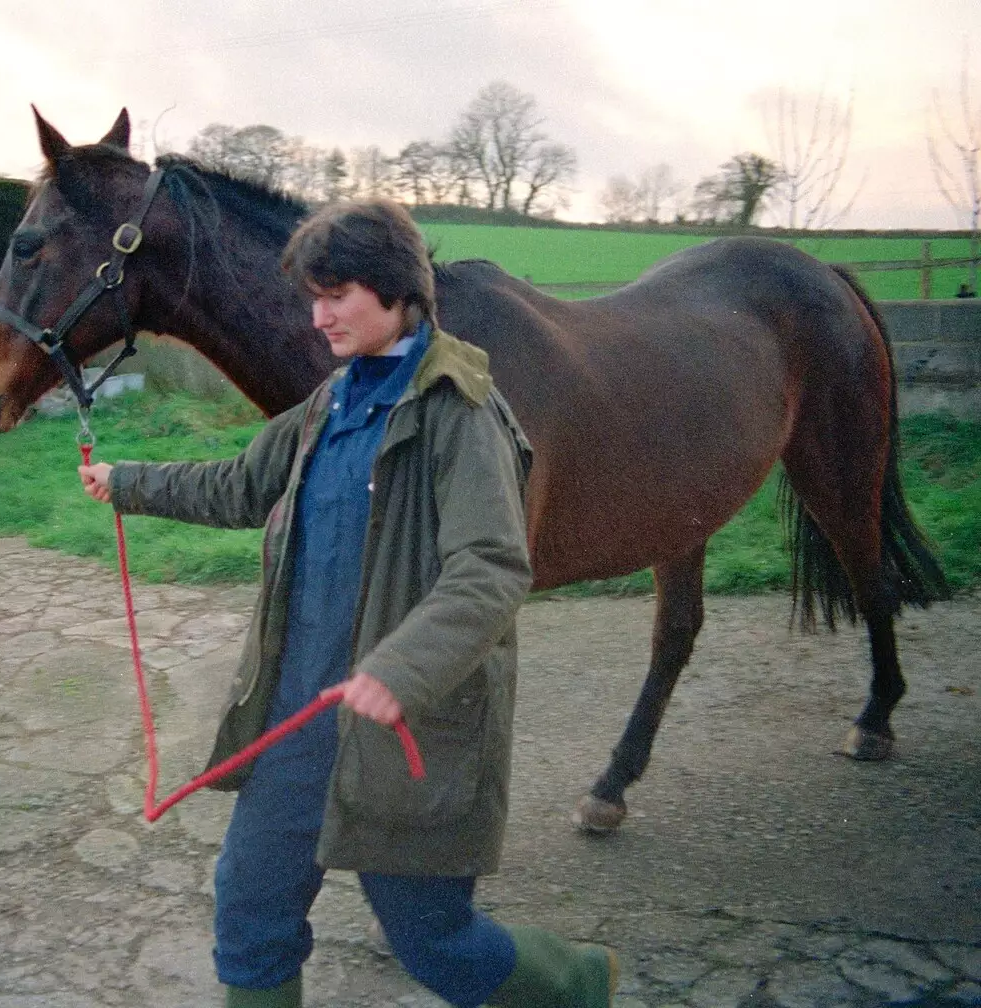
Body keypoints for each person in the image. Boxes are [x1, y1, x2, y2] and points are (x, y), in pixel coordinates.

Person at [78, 199, 616, 1008]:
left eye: (337, 295)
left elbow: (493, 569)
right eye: (313, 296)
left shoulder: (459, 412)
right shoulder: (329, 404)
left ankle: (574, 983)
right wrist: (127, 484)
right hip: (298, 712)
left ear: (399, 291)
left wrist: (401, 668)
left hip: (406, 729)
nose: (318, 315)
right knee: (250, 908)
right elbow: (240, 484)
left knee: (432, 940)